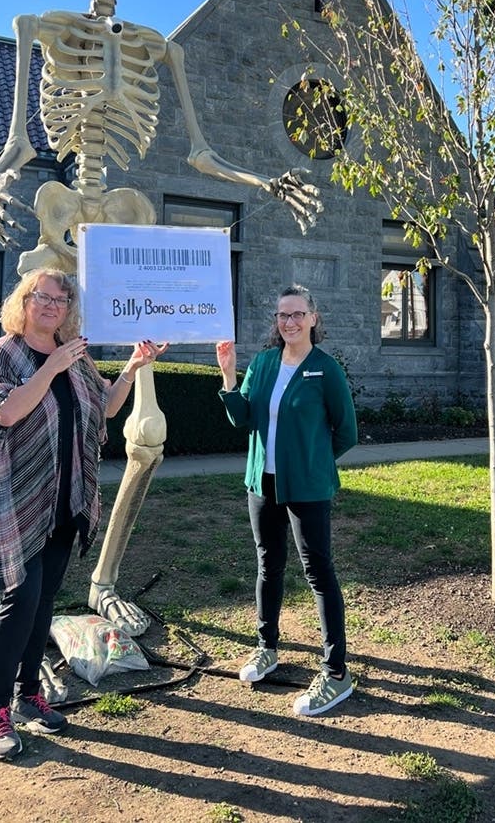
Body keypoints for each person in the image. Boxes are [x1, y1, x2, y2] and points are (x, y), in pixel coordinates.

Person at [0, 267, 168, 760]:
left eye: (61, 299)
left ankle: (30, 693)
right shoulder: (2, 355)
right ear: (24, 301)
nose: (52, 306)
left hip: (64, 499)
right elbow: (5, 412)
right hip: (15, 501)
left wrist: (134, 367)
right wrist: (50, 367)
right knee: (19, 602)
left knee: (44, 601)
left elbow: (107, 408)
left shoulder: (75, 356)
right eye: (43, 297)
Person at [214, 284, 359, 717]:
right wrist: (228, 375)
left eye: (297, 314)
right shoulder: (261, 363)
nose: (289, 322)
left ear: (314, 318)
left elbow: (346, 431)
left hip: (308, 488)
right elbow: (242, 417)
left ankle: (336, 674)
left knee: (318, 573)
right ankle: (266, 648)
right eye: (282, 315)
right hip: (261, 483)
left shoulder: (325, 370)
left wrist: (311, 464)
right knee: (267, 565)